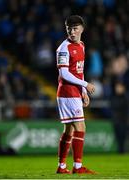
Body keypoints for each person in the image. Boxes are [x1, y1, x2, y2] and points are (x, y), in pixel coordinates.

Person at [56, 15, 96, 174]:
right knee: (80, 127)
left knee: (69, 131)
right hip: (67, 93)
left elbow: (79, 71)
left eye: (75, 29)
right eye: (69, 29)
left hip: (75, 92)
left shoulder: (82, 45)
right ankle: (78, 167)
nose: (72, 32)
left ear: (82, 29)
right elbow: (64, 73)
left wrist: (84, 91)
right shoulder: (63, 48)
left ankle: (62, 166)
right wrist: (85, 85)